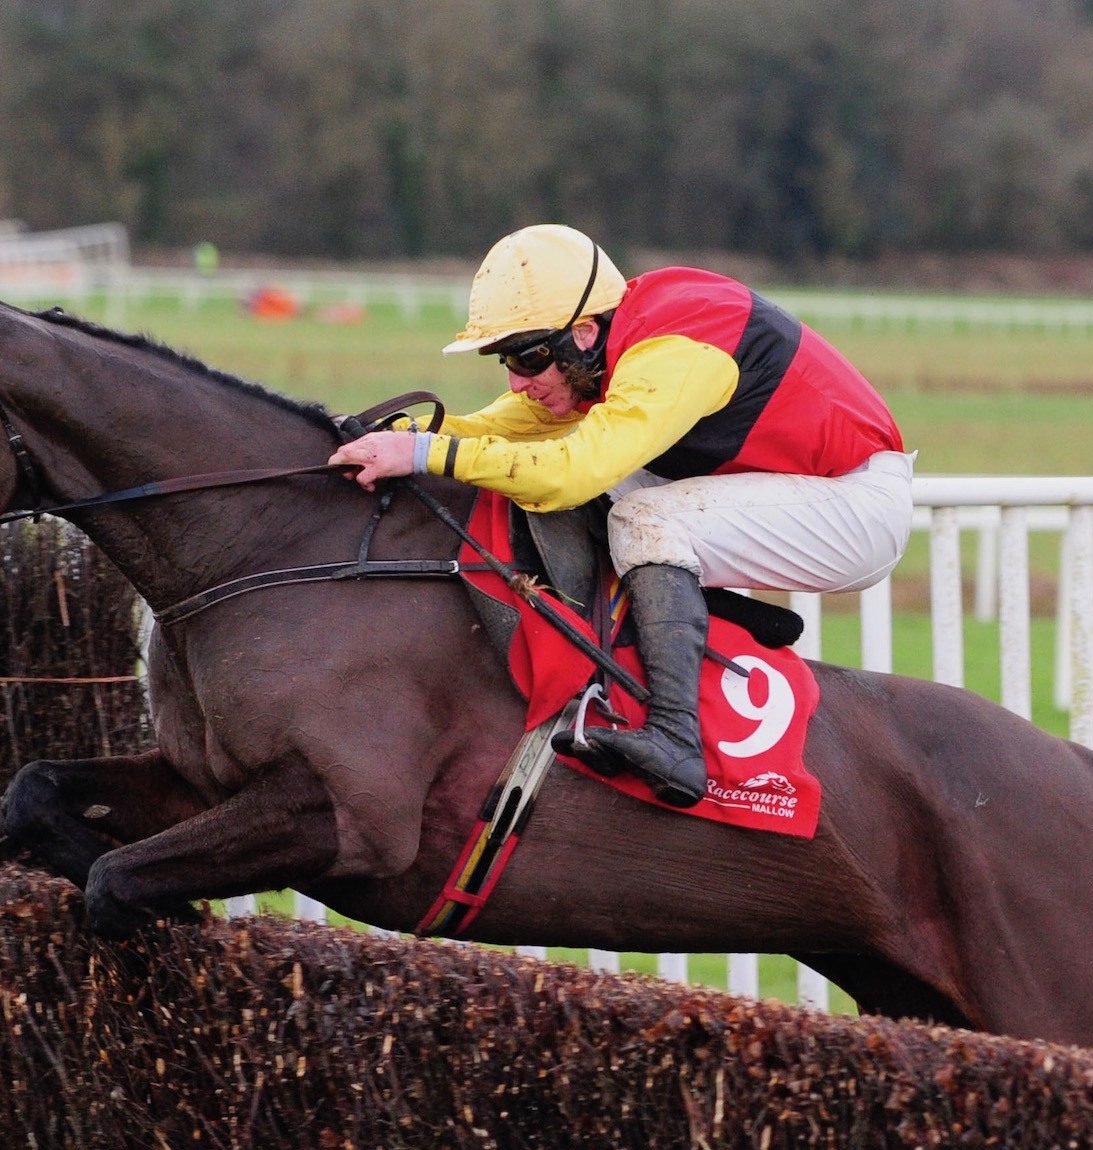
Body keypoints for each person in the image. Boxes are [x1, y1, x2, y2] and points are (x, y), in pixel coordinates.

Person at [329, 224, 912, 809]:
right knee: (577, 480)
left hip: (856, 507)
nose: (516, 379)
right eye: (503, 358)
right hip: (787, 487)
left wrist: (425, 454)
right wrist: (374, 434)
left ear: (584, 333)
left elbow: (570, 471)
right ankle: (691, 624)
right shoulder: (604, 345)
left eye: (528, 357)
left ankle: (676, 740)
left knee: (639, 514)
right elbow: (493, 429)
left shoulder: (673, 348)